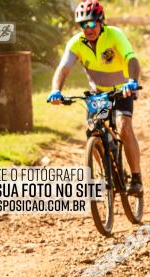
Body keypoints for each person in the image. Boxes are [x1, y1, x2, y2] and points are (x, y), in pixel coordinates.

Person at [48, 0, 143, 194]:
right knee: (94, 132)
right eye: (83, 25)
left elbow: (131, 58)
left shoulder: (115, 34)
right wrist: (55, 90)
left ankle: (136, 178)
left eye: (91, 23)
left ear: (101, 21)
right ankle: (108, 172)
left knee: (124, 126)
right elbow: (64, 68)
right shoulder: (76, 43)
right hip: (99, 93)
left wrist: (132, 80)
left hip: (122, 89)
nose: (87, 28)